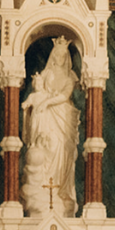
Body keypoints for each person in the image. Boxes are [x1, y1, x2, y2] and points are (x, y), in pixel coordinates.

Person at [21, 38, 80, 217]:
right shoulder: (45, 74)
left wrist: (47, 102)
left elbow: (65, 95)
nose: (61, 58)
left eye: (64, 55)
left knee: (61, 153)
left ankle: (61, 193)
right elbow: (36, 92)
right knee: (45, 150)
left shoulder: (71, 76)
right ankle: (42, 192)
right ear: (53, 55)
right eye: (58, 54)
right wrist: (39, 103)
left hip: (63, 119)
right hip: (45, 119)